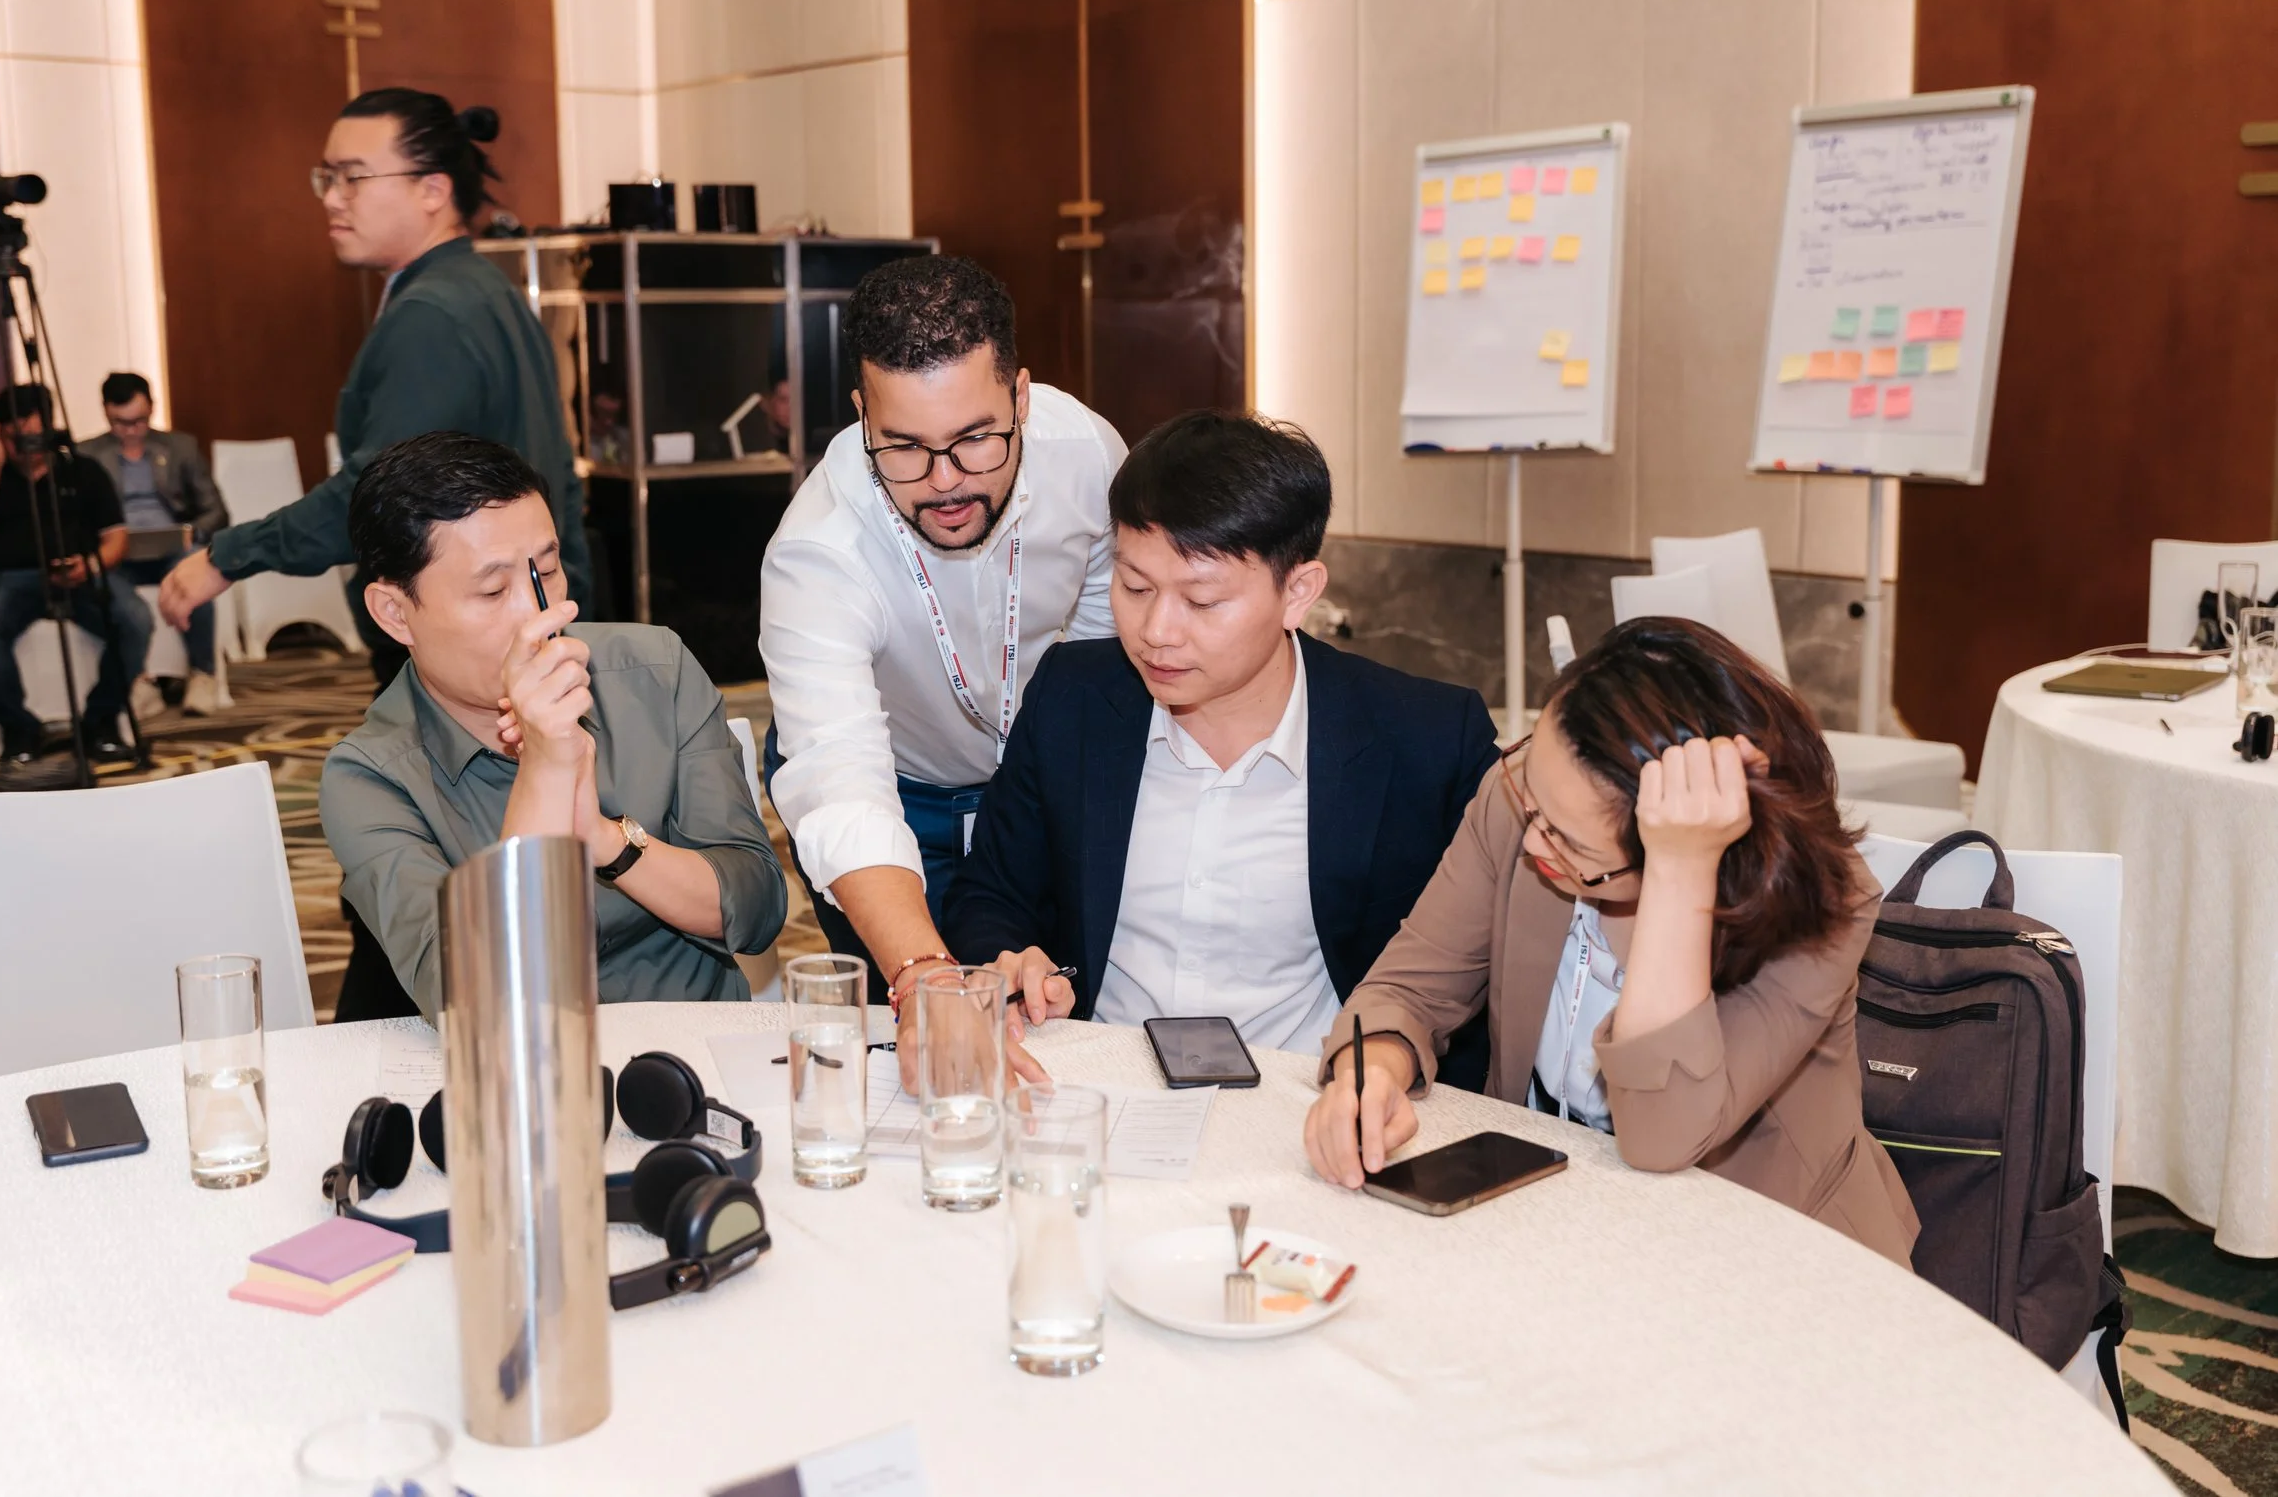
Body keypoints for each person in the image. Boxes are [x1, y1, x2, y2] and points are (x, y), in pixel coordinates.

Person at [1301, 617, 1920, 1265]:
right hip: (1554, 1217)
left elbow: (1664, 1133)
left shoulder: (1820, 903)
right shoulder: (1528, 801)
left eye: (1572, 844)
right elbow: (1409, 986)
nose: (1535, 842)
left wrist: (1681, 874)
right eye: (1531, 802)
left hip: (1767, 1250)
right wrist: (1370, 1073)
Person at [942, 411, 1500, 1057]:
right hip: (1103, 1085)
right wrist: (1011, 961)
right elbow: (990, 893)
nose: (1158, 630)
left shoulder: (1424, 739)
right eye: (1135, 586)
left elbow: (1466, 971)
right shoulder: (1075, 698)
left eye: (1202, 601)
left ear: (1298, 591)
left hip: (1305, 1106)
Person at [759, 255, 1123, 1076]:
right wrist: (924, 976)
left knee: (1047, 1009)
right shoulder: (816, 551)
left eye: (975, 440)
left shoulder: (1088, 456)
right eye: (905, 448)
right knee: (918, 1034)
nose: (946, 481)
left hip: (1029, 780)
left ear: (1021, 396)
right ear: (860, 417)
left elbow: (1102, 661)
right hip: (899, 790)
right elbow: (842, 781)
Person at [319, 431, 786, 1020]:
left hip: (691, 1056)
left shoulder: (653, 669)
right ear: (395, 614)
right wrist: (545, 765)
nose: (536, 615)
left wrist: (605, 840)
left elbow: (758, 907)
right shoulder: (370, 776)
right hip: (522, 1078)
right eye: (492, 591)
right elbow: (480, 1007)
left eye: (548, 570)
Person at [156, 87, 592, 687]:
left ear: (432, 190)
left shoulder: (432, 315)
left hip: (469, 644)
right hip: (521, 622)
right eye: (327, 178)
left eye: (353, 178)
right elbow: (562, 476)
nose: (332, 198)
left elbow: (379, 499)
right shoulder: (485, 290)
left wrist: (228, 555)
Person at [0, 385, 151, 774]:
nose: (28, 447)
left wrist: (90, 566)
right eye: (16, 438)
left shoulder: (83, 470)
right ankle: (20, 730)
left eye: (34, 435)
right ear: (0, 432)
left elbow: (116, 540)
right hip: (6, 580)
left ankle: (101, 721)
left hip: (80, 573)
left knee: (134, 619)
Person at [78, 371, 229, 713]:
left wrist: (193, 531)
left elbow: (216, 511)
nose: (131, 430)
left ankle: (203, 673)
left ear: (152, 409)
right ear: (105, 413)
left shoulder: (180, 447)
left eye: (139, 421)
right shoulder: (87, 455)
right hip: (118, 553)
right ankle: (137, 680)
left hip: (174, 546)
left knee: (198, 568)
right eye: (121, 423)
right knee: (101, 586)